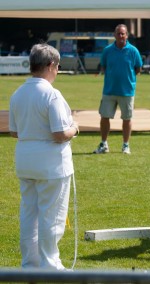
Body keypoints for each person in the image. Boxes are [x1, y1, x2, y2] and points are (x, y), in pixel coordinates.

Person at [9, 43, 79, 270]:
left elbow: (14, 131)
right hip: (51, 164)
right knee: (52, 216)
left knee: (29, 214)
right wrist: (75, 128)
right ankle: (51, 264)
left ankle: (30, 263)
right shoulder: (51, 94)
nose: (57, 70)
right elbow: (60, 134)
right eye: (57, 66)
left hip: (25, 159)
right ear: (50, 65)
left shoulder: (18, 93)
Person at [93, 24, 143, 154]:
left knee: (127, 119)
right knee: (104, 117)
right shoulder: (107, 50)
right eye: (118, 33)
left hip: (127, 91)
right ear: (114, 35)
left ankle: (125, 145)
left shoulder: (133, 51)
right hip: (109, 90)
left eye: (123, 33)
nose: (121, 36)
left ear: (126, 35)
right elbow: (103, 66)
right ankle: (104, 144)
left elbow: (138, 68)